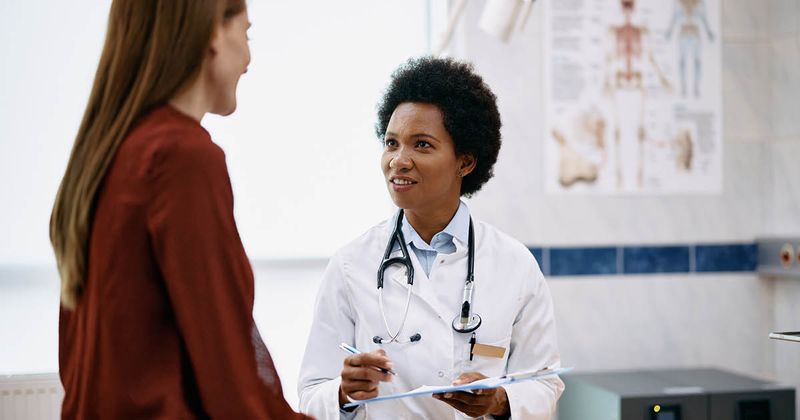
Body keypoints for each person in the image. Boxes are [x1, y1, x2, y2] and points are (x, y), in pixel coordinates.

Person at [49, 1, 311, 418]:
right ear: (212, 32)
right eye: (247, 33)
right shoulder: (181, 157)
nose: (248, 58)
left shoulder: (107, 157)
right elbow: (229, 377)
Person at [298, 57, 564, 419]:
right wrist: (344, 393)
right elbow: (312, 393)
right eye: (392, 143)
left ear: (465, 162)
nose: (399, 161)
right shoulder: (350, 265)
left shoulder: (514, 265)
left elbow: (545, 384)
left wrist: (500, 400)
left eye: (421, 145)